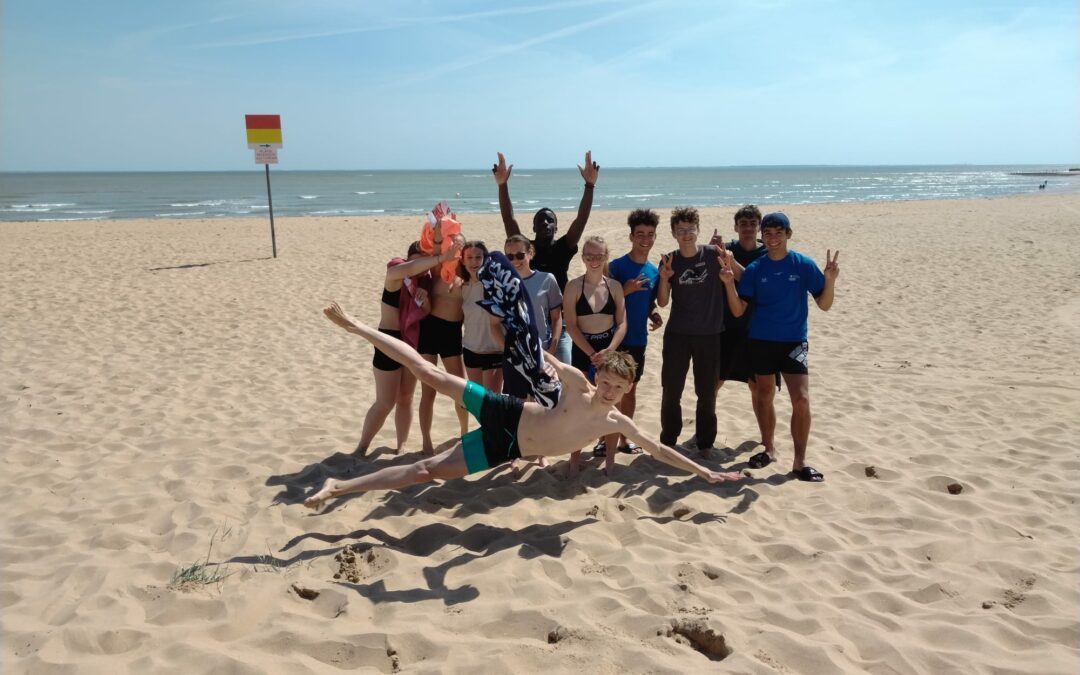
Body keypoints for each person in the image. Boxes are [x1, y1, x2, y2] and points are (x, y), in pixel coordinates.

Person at [304, 303, 742, 509]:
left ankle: (338, 490)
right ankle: (357, 326)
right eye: (605, 381)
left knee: (427, 471)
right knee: (429, 374)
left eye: (616, 387)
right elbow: (543, 353)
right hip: (505, 412)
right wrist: (535, 351)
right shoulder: (576, 384)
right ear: (597, 377)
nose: (608, 391)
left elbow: (660, 451)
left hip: (506, 449)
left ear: (627, 390)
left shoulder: (618, 422)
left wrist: (705, 473)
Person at [719, 212, 839, 482]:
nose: (773, 237)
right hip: (761, 340)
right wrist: (728, 285)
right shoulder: (755, 270)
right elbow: (738, 311)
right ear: (763, 236)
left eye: (778, 232)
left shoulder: (803, 265)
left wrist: (830, 280)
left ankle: (800, 461)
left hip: (794, 340)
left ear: (788, 234)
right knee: (764, 395)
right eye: (768, 233)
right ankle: (769, 448)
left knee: (802, 399)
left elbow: (825, 304)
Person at [492, 151, 600, 364]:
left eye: (550, 221)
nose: (545, 224)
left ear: (557, 226)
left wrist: (589, 186)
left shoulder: (563, 247)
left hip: (562, 323)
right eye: (540, 221)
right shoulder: (525, 250)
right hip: (532, 324)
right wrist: (502, 186)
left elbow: (581, 219)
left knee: (563, 376)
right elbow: (509, 220)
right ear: (532, 227)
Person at [358, 238, 461, 455]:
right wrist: (439, 258)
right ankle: (362, 447)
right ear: (408, 259)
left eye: (426, 263)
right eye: (419, 261)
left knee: (405, 397)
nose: (422, 268)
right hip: (388, 339)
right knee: (385, 402)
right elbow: (412, 268)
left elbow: (428, 310)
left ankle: (401, 445)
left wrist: (425, 303)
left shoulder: (423, 284)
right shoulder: (396, 270)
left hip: (412, 342)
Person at [656, 207, 733, 457]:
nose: (686, 234)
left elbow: (736, 273)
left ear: (698, 230)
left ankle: (705, 444)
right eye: (681, 230)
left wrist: (728, 265)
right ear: (673, 233)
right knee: (671, 390)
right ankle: (668, 439)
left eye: (690, 229)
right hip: (678, 333)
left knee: (706, 392)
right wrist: (665, 278)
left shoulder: (713, 255)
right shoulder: (669, 259)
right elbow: (664, 302)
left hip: (709, 333)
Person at [708, 205, 773, 448]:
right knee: (713, 383)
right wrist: (708, 248)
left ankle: (768, 442)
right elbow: (703, 275)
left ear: (759, 228)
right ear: (735, 227)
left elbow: (757, 285)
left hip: (759, 330)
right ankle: (704, 435)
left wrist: (732, 265)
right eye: (743, 223)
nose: (747, 228)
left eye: (752, 223)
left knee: (760, 389)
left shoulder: (769, 254)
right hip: (725, 327)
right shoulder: (725, 250)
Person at [562, 235, 627, 475]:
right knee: (581, 406)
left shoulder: (614, 286)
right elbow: (571, 324)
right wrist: (591, 353)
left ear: (606, 257)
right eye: (589, 256)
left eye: (599, 256)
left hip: (609, 350)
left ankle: (610, 460)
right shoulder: (573, 287)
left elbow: (622, 324)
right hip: (583, 350)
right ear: (583, 258)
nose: (594, 260)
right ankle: (575, 460)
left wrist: (609, 350)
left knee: (611, 408)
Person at [606, 209, 662, 457]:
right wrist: (624, 291)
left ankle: (623, 440)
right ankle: (603, 440)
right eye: (640, 234)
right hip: (613, 338)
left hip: (639, 338)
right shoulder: (616, 266)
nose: (645, 239)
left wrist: (653, 313)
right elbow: (601, 302)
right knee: (607, 392)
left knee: (629, 392)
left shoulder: (654, 271)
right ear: (631, 236)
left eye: (650, 234)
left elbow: (648, 301)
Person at [417, 230, 470, 456]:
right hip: (429, 330)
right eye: (452, 246)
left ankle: (465, 432)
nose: (454, 250)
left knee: (460, 389)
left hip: (452, 334)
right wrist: (440, 232)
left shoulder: (468, 279)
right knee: (428, 391)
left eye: (459, 247)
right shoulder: (438, 272)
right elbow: (436, 248)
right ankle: (426, 441)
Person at [459, 241, 504, 393]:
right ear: (463, 260)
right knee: (479, 407)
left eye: (478, 257)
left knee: (492, 403)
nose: (474, 261)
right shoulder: (461, 287)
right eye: (469, 257)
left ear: (485, 259)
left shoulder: (496, 284)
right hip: (471, 351)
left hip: (494, 351)